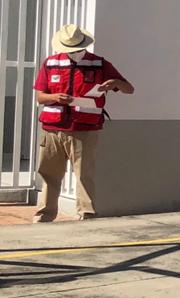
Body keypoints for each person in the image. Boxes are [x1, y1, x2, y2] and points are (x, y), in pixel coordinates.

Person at [31, 24, 134, 222]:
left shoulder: (100, 64)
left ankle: (86, 215)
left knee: (84, 175)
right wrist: (55, 97)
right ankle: (44, 215)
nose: (72, 52)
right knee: (49, 175)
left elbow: (129, 89)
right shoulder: (50, 63)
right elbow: (40, 96)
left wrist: (115, 84)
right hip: (53, 130)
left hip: (84, 130)